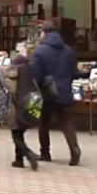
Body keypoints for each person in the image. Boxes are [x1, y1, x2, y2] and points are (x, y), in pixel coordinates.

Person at [31, 21, 82, 166]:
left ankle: (45, 152)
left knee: (43, 123)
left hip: (46, 92)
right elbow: (74, 72)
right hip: (64, 90)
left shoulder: (39, 52)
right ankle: (74, 149)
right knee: (66, 122)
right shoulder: (68, 50)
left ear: (44, 33)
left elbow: (36, 74)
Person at [4, 54, 40, 171]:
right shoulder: (29, 77)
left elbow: (7, 94)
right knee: (20, 134)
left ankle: (29, 154)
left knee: (16, 136)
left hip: (14, 109)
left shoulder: (9, 77)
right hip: (26, 109)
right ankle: (18, 160)